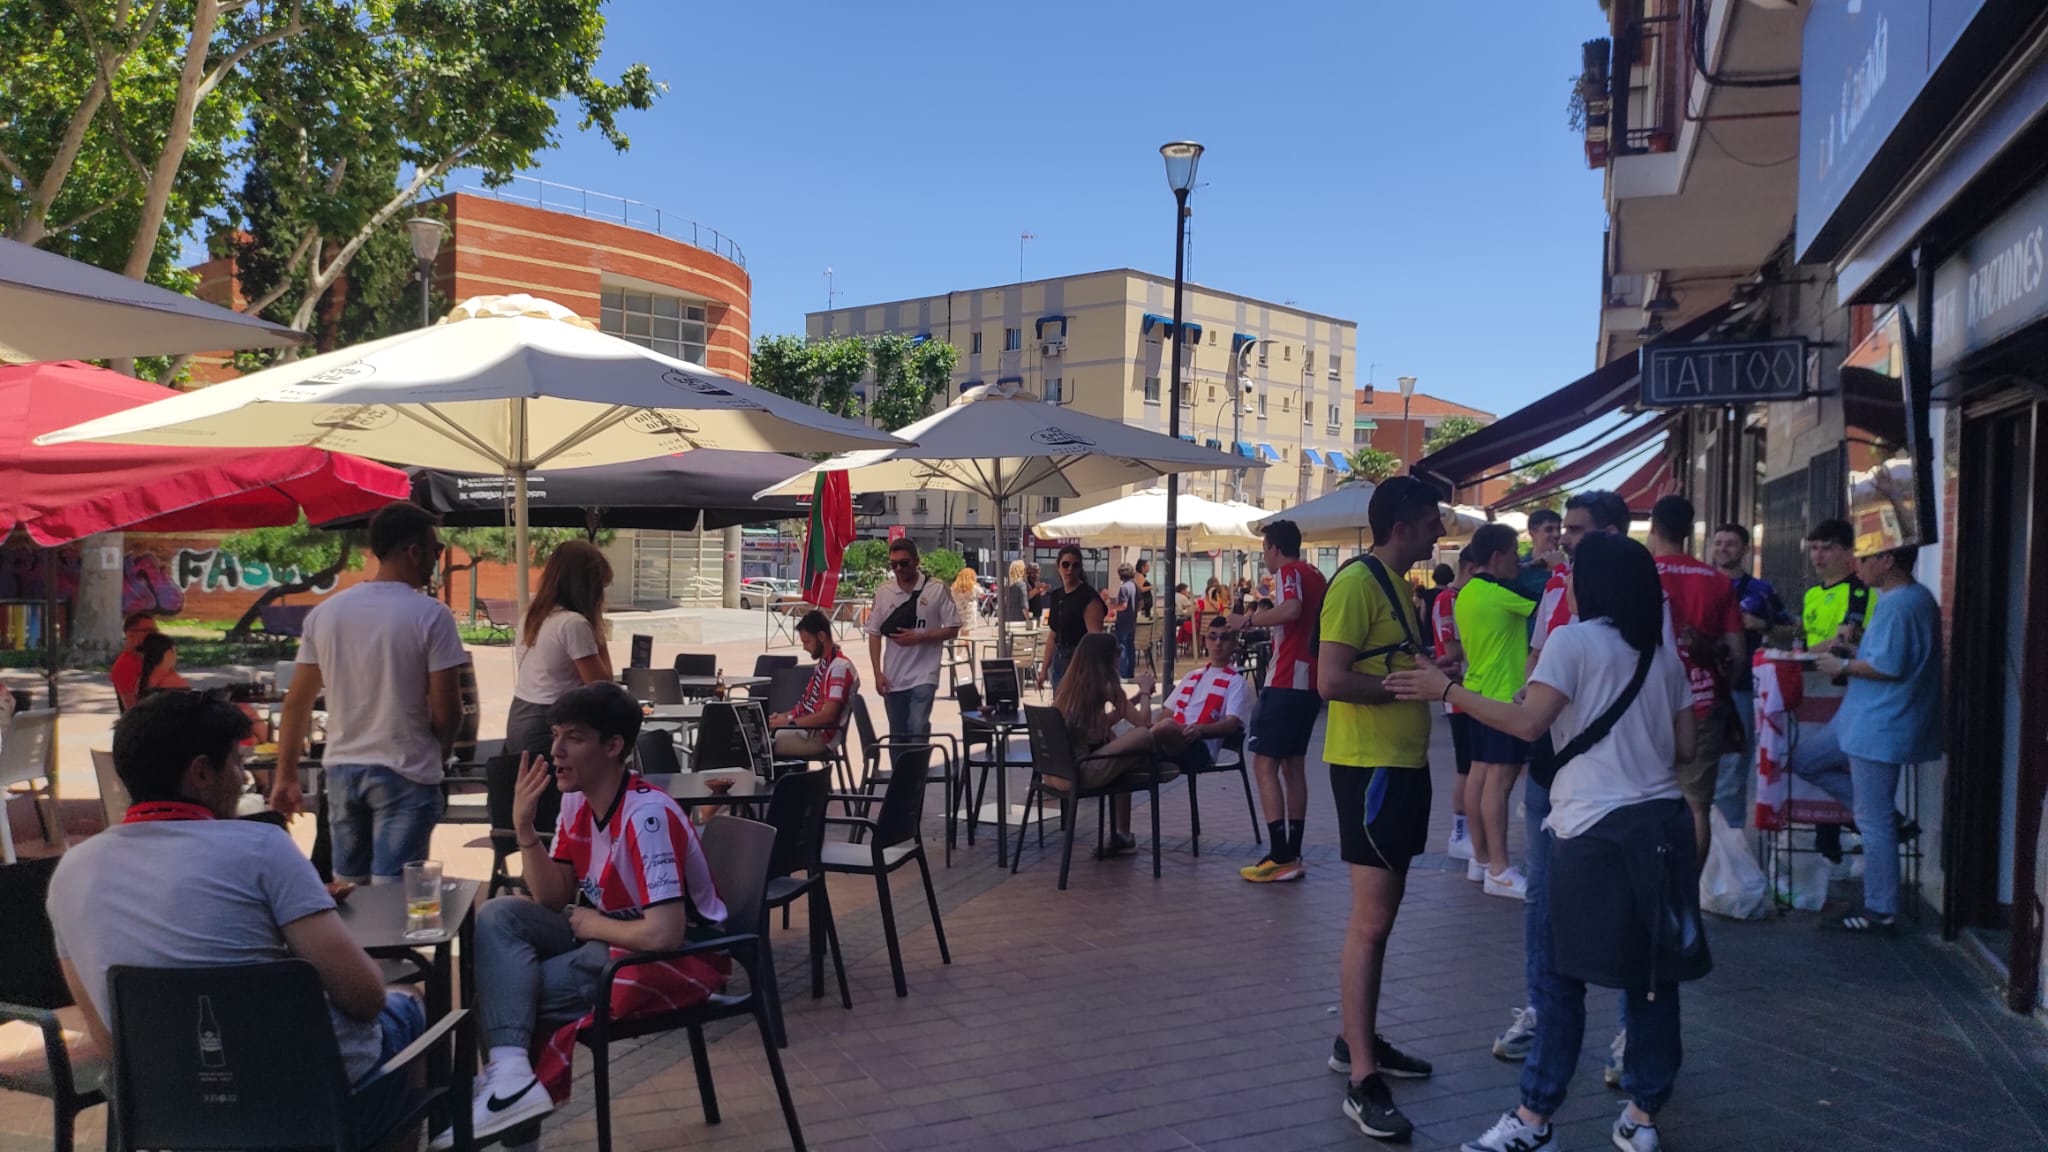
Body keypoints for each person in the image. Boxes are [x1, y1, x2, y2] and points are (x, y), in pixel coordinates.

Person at [1387, 532, 1698, 1152]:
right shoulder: (1662, 657)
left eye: (1575, 574)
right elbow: (1685, 747)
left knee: (1559, 979)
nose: (1566, 583)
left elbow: (1529, 723)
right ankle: (1642, 1115)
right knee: (1652, 980)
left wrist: (1446, 692)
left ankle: (1534, 1120)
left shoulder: (1572, 641)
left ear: (1595, 584)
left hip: (1587, 832)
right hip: (1661, 830)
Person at [49, 692, 427, 1139]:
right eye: (237, 762)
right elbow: (364, 998)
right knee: (409, 1005)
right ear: (202, 772)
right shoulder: (261, 849)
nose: (244, 776)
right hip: (302, 1108)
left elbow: (109, 1040)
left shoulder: (69, 874)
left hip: (169, 1112)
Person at [461, 683, 729, 1140]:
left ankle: (508, 1105)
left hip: (673, 959)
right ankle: (508, 1079)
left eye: (574, 738)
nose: (557, 751)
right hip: (609, 943)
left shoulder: (647, 816)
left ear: (613, 746)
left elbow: (665, 934)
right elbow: (551, 896)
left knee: (507, 994)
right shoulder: (575, 802)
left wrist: (592, 923)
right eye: (555, 735)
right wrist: (525, 828)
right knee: (498, 914)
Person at [1319, 476, 1443, 1141]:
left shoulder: (1397, 584)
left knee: (1382, 919)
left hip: (1400, 766)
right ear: (1401, 526)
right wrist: (1402, 689)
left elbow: (1384, 664)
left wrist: (1425, 670)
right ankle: (1362, 1076)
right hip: (1370, 769)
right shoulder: (1356, 584)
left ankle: (1355, 1038)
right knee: (1369, 924)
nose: (1438, 536)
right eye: (1430, 524)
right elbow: (1330, 679)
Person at [272, 503, 468, 885]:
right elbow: (448, 713)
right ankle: (391, 949)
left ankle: (358, 948)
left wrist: (285, 776)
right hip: (406, 769)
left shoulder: (326, 614)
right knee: (393, 898)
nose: (436, 560)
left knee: (349, 891)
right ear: (413, 551)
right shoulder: (431, 615)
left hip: (343, 770)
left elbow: (297, 701)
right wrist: (439, 756)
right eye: (436, 550)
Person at [1502, 488, 1630, 1070]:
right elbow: (1535, 660)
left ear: (1610, 533)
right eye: (1563, 530)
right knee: (1542, 893)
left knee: (1627, 902)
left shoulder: (1643, 597)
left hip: (1612, 773)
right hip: (1552, 761)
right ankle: (1541, 1007)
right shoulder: (1556, 586)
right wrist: (1528, 693)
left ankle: (1631, 1029)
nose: (1561, 538)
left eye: (1574, 530)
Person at [1792, 544, 1940, 932]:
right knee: (1805, 761)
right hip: (1860, 717)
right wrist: (1854, 650)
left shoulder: (1900, 604)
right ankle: (1891, 819)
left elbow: (1888, 666)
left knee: (1873, 823)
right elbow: (1888, 655)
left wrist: (1841, 663)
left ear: (1888, 561)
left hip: (1880, 722)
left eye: (1868, 559)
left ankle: (1880, 909)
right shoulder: (1908, 599)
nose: (1860, 566)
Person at [1646, 494, 1744, 863]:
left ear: (1654, 528)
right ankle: (1687, 894)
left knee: (1647, 797)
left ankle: (1655, 884)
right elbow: (1736, 654)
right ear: (1690, 531)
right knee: (1696, 805)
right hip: (1703, 702)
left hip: (1650, 701)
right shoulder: (1717, 581)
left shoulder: (1643, 575)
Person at [1232, 519, 1328, 884]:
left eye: (1264, 549)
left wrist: (1250, 620)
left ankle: (1280, 855)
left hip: (1287, 678)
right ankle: (1293, 852)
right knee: (1293, 767)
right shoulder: (1316, 572)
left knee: (1264, 765)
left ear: (1274, 548)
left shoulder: (1289, 572)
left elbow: (1290, 610)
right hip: (1310, 680)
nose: (1264, 556)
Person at [1455, 523, 1537, 898]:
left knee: (1479, 775)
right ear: (1498, 556)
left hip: (1475, 692)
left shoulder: (1468, 592)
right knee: (1499, 783)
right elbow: (1548, 603)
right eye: (1515, 554)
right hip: (1504, 695)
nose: (1519, 562)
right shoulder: (1502, 593)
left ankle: (1481, 859)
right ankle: (1500, 869)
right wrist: (1544, 566)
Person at [1050, 632, 1173, 855]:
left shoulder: (1072, 687)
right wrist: (1145, 692)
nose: (1121, 656)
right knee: (1144, 737)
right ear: (1108, 658)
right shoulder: (1106, 685)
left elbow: (1101, 723)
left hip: (1056, 773)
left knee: (1117, 746)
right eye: (1118, 651)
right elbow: (1143, 722)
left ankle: (1122, 835)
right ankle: (1123, 831)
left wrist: (1132, 701)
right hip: (1081, 773)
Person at [1709, 523, 1790, 828]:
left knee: (1733, 769)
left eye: (1730, 544)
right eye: (1717, 543)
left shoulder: (1761, 591)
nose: (1722, 549)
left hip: (1742, 688)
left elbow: (1792, 632)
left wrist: (1762, 625)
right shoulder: (1702, 584)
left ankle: (1730, 848)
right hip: (1700, 688)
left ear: (1745, 549)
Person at [1801, 518, 1873, 862]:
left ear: (1848, 552)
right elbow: (1815, 641)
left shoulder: (1860, 591)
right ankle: (1829, 833)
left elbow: (1844, 642)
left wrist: (1804, 653)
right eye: (1813, 547)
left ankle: (1865, 823)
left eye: (1826, 547)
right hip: (1814, 695)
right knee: (1814, 765)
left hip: (1850, 694)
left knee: (1839, 766)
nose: (1818, 555)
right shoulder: (1812, 594)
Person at [508, 540, 614, 759]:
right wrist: (597, 629)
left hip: (521, 715)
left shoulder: (533, 616)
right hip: (553, 722)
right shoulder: (573, 623)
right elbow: (602, 686)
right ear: (588, 586)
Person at [866, 536, 960, 751]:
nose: (899, 568)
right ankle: (901, 781)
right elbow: (873, 634)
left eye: (904, 563)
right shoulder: (883, 592)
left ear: (916, 562)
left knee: (917, 727)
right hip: (893, 676)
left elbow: (954, 628)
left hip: (924, 675)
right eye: (893, 564)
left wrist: (921, 637)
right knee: (897, 734)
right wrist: (877, 673)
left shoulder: (936, 589)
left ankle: (916, 779)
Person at [1155, 616, 1254, 776]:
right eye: (1212, 637)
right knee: (1128, 767)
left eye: (1224, 638)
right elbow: (1166, 713)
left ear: (1234, 644)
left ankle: (1140, 747)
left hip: (1200, 748)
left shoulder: (1236, 681)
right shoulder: (1191, 676)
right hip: (1171, 740)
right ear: (1206, 641)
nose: (1218, 643)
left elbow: (1232, 724)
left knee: (1159, 730)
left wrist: (1200, 729)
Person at [1432, 549, 1479, 864]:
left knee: (1475, 765)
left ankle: (1469, 832)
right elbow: (1450, 649)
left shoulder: (1468, 597)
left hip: (1474, 691)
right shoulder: (1449, 599)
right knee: (1467, 766)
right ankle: (1460, 833)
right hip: (1460, 691)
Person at [769, 610, 859, 760]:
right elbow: (808, 705)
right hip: (809, 731)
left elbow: (828, 716)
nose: (805, 647)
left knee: (760, 745)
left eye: (807, 642)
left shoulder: (839, 668)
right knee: (760, 733)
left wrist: (788, 722)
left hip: (820, 737)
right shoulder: (825, 666)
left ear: (822, 637)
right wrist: (785, 717)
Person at [1042, 545, 1106, 687]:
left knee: (1074, 706)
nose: (1070, 569)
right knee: (1059, 706)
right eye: (1066, 565)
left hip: (1079, 659)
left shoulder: (1088, 597)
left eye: (1075, 565)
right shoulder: (1057, 595)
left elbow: (1095, 638)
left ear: (1080, 569)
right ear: (1058, 567)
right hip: (1059, 659)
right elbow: (1053, 635)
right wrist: (1044, 668)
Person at [109, 612, 158, 710]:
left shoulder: (148, 661)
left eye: (156, 631)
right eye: (149, 631)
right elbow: (132, 710)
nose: (156, 636)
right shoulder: (125, 665)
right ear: (130, 634)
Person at [1514, 508, 1565, 603]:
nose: (1556, 534)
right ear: (1532, 533)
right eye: (1549, 529)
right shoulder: (1518, 569)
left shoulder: (1569, 567)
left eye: (1558, 529)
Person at [1112, 562, 1141, 679]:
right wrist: (1134, 612)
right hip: (1132, 621)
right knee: (1130, 647)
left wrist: (1112, 606)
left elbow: (1123, 605)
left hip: (1123, 622)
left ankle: (1123, 674)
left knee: (1122, 647)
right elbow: (1141, 603)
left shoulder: (1124, 588)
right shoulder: (1135, 586)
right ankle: (1130, 673)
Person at [951, 566, 980, 634]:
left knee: (962, 632)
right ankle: (965, 644)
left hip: (958, 611)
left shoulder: (954, 587)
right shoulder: (973, 587)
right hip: (969, 612)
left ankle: (962, 644)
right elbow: (981, 593)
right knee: (966, 633)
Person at [1003, 559, 1030, 626]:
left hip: (1008, 619)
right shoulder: (1021, 585)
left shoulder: (1008, 586)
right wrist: (1028, 620)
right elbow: (1024, 606)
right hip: (1019, 620)